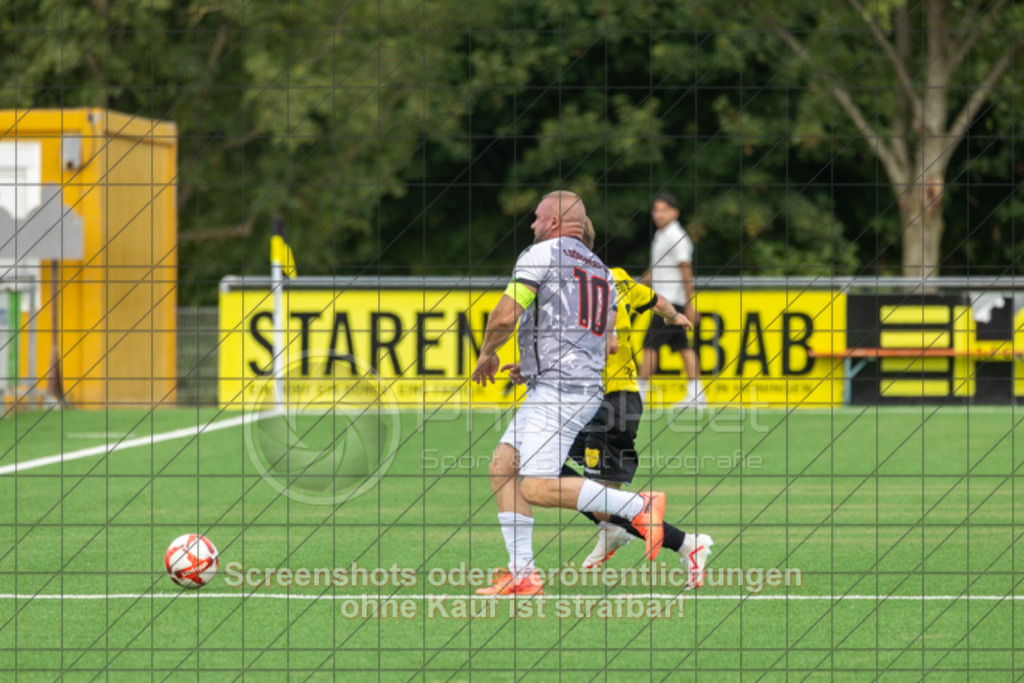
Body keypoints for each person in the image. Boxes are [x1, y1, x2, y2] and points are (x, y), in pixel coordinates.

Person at [471, 191, 667, 596]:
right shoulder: (600, 270)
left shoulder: (541, 254)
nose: (533, 225)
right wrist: (534, 365)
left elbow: (505, 316)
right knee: (503, 466)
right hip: (574, 386)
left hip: (559, 390)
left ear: (555, 221)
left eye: (537, 217)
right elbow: (605, 343)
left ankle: (637, 507)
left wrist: (487, 353)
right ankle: (523, 573)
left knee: (536, 487)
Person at [500, 217, 713, 589]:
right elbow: (655, 299)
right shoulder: (615, 279)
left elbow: (603, 341)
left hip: (611, 401)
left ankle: (685, 543)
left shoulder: (591, 284)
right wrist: (673, 314)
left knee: (591, 497)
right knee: (541, 471)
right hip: (588, 400)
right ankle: (615, 529)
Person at [639, 193, 705, 406]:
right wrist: (639, 287)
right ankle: (697, 394)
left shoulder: (676, 235)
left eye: (664, 210)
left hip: (669, 301)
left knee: (650, 345)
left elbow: (685, 268)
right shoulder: (662, 235)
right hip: (667, 299)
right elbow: (655, 268)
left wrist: (690, 303)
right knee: (684, 347)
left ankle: (639, 393)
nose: (659, 214)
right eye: (656, 210)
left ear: (675, 212)